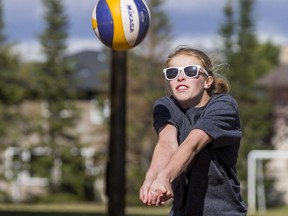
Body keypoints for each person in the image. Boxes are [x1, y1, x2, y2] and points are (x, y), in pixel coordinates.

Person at [139, 46, 247, 216]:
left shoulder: (224, 106)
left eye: (190, 71)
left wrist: (165, 177)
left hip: (223, 212)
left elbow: (193, 144)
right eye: (173, 73)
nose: (180, 77)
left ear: (207, 81)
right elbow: (167, 143)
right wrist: (151, 178)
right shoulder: (165, 106)